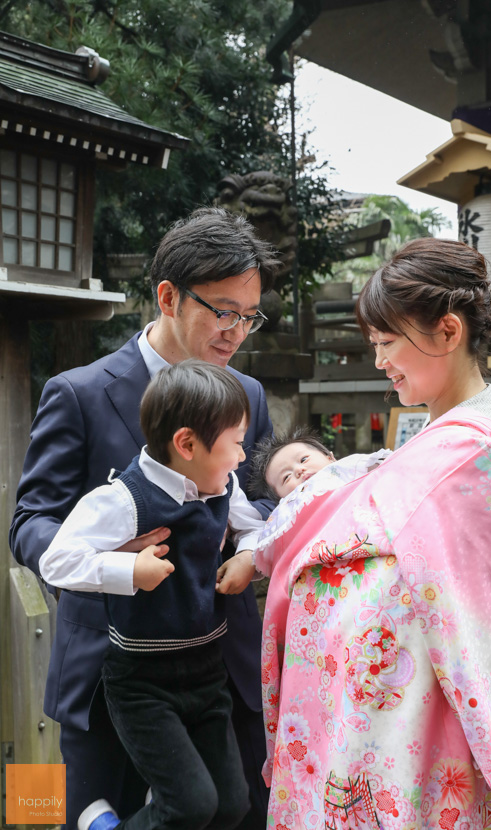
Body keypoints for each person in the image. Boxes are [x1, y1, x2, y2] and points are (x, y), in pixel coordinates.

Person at [254, 238, 491, 830]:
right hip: (395, 706)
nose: (381, 360)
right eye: (375, 344)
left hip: (411, 711)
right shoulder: (448, 440)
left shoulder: (475, 451)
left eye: (388, 343)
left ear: (447, 332)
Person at [9, 207, 281, 830]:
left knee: (230, 811)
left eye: (248, 315)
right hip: (112, 674)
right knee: (99, 813)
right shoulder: (79, 392)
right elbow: (30, 522)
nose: (236, 332)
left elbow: (267, 502)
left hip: (220, 668)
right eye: (222, 310)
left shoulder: (249, 397)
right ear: (167, 296)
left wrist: (245, 539)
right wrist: (113, 562)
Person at [39, 360, 266, 830]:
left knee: (231, 805)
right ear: (186, 444)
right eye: (237, 443)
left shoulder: (225, 486)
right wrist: (127, 569)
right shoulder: (123, 499)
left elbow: (257, 527)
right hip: (142, 680)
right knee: (190, 806)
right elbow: (55, 559)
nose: (243, 457)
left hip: (207, 672)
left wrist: (247, 555)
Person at [215, 428, 390, 594]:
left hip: (375, 546)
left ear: (330, 457)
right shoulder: (287, 512)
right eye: (286, 477)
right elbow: (268, 549)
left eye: (304, 459)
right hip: (328, 572)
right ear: (280, 498)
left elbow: (384, 468)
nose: (299, 470)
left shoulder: (346, 468)